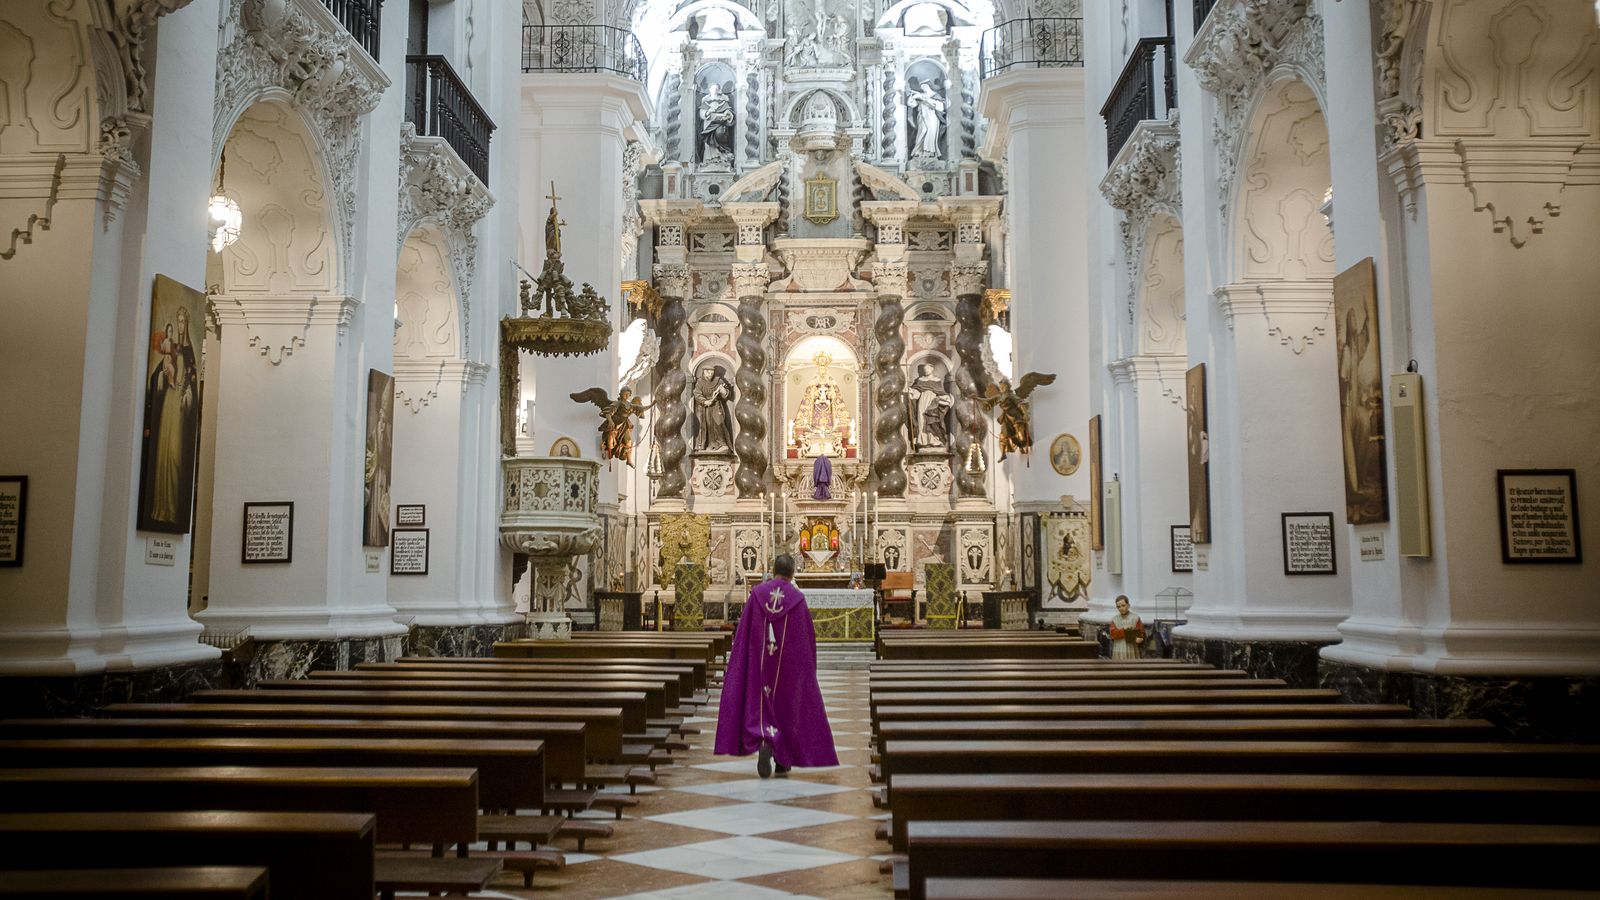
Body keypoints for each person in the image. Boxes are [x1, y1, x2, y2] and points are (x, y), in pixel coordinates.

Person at [715, 554, 838, 777]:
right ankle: (783, 759)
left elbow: (744, 633)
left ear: (773, 570)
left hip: (761, 661)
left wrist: (743, 660)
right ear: (792, 574)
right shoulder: (797, 599)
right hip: (787, 666)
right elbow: (805, 639)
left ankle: (766, 741)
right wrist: (806, 669)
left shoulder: (757, 595)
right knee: (786, 706)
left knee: (763, 702)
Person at [1108, 594, 1146, 660]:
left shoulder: (1135, 618)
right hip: (1118, 648)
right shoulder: (1114, 619)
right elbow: (1112, 634)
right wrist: (1123, 630)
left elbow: (1141, 632)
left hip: (1132, 648)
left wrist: (1140, 638)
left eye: (1123, 605)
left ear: (1128, 605)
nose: (1121, 608)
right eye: (1118, 607)